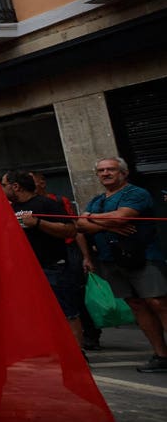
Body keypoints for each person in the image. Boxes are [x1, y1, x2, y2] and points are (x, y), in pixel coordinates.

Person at [76, 157, 167, 373]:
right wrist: (109, 224)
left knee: (158, 303)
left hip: (143, 257)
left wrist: (93, 219)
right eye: (101, 170)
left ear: (123, 173)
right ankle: (161, 355)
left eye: (111, 169)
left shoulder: (135, 193)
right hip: (112, 260)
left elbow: (121, 217)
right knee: (136, 305)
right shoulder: (97, 200)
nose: (105, 173)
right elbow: (80, 224)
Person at [3, 171, 86, 345]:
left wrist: (39, 223)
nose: (2, 189)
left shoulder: (47, 204)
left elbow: (70, 230)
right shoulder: (9, 209)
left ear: (15, 186)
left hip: (53, 266)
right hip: (26, 269)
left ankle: (78, 352)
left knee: (67, 311)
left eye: (4, 185)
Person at [34, 171, 100, 350]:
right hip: (45, 256)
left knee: (75, 292)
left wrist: (85, 256)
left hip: (67, 250)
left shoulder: (57, 200)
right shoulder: (22, 206)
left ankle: (90, 333)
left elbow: (75, 227)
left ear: (42, 182)